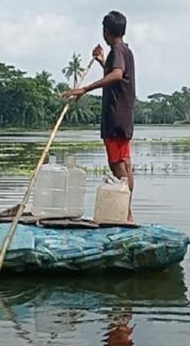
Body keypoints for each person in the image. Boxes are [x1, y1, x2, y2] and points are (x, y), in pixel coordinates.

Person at [62, 11, 136, 223]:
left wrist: (85, 88)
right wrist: (103, 61)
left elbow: (117, 75)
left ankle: (126, 215)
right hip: (124, 116)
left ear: (105, 31)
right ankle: (127, 214)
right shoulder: (124, 51)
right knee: (125, 164)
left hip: (115, 116)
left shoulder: (118, 50)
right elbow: (115, 72)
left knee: (118, 166)